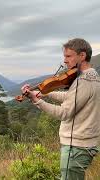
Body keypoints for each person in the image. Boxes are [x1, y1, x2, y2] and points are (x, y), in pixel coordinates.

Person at [21, 38, 100, 180]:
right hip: (83, 145)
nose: (65, 61)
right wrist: (44, 92)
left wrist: (37, 101)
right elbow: (70, 97)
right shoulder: (92, 76)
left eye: (68, 56)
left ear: (82, 56)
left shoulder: (84, 81)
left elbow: (65, 113)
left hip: (76, 146)